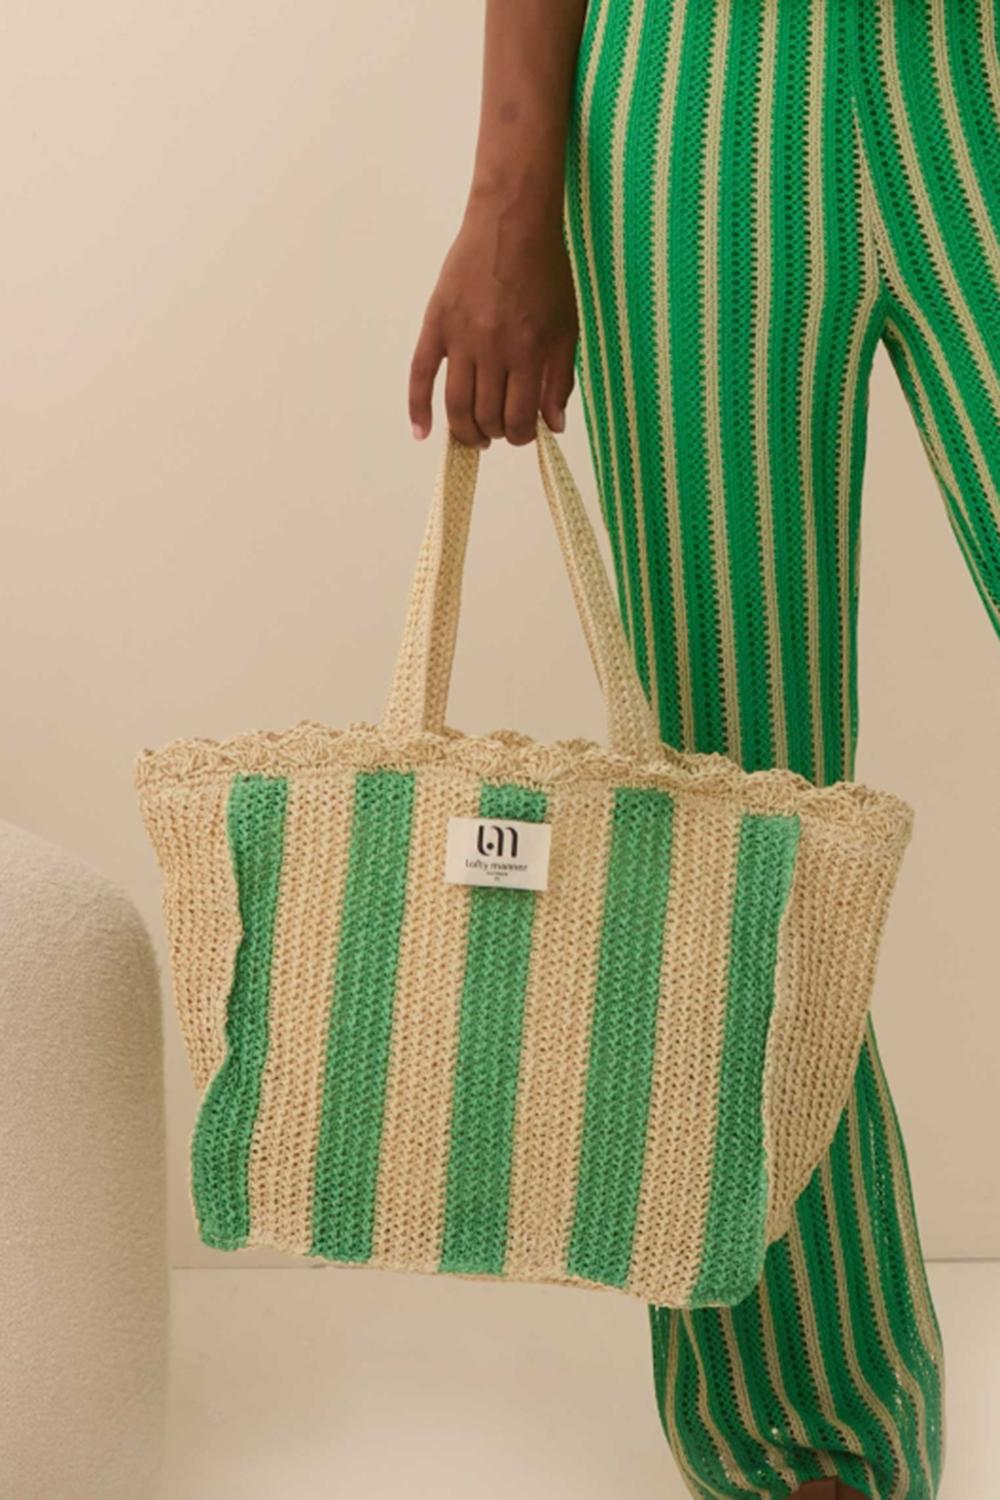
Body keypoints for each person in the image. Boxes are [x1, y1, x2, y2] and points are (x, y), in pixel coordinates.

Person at [409, 2, 1000, 1496]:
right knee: (739, 819)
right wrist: (509, 189)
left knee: (742, 813)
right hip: (699, 93)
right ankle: (808, 1434)